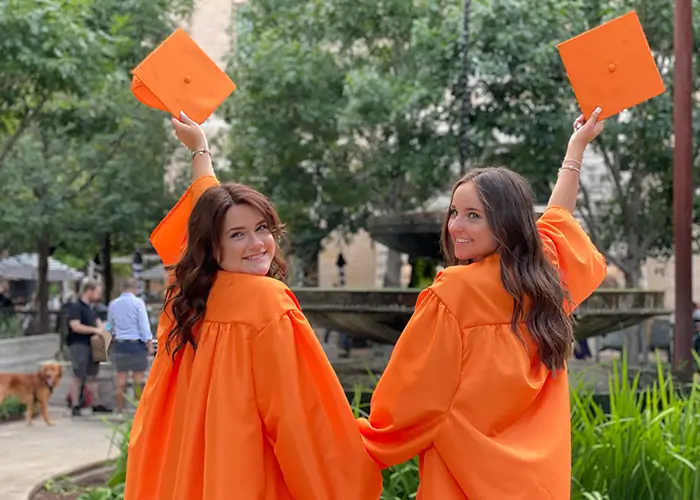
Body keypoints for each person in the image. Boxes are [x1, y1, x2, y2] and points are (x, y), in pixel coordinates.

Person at [124, 112, 381, 500]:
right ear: (213, 245)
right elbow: (300, 418)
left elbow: (204, 205)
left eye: (262, 229)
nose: (257, 244)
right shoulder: (267, 305)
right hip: (248, 477)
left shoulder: (187, 296)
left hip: (188, 476)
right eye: (238, 235)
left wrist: (200, 149)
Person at [356, 108, 608, 499]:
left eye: (474, 215)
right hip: (537, 483)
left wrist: (345, 440)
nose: (456, 226)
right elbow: (559, 216)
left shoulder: (453, 295)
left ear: (507, 224)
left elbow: (409, 402)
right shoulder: (545, 279)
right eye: (454, 212)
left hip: (464, 481)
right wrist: (576, 147)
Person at [107, 278, 154, 415]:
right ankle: (138, 410)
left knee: (120, 381)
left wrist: (112, 335)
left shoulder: (113, 304)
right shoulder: (138, 303)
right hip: (136, 347)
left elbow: (109, 325)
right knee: (138, 380)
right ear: (135, 288)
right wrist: (149, 345)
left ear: (122, 288)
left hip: (120, 346)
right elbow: (144, 326)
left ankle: (120, 410)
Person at [66, 279, 112, 416]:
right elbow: (75, 326)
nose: (99, 296)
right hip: (79, 344)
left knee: (92, 375)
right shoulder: (76, 307)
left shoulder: (92, 308)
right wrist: (95, 330)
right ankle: (75, 405)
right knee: (78, 375)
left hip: (93, 345)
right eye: (97, 292)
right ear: (89, 291)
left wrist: (104, 329)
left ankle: (96, 403)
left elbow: (99, 324)